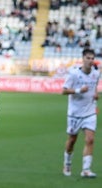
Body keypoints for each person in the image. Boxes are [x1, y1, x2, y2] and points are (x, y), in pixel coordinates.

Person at [62, 48, 100, 178]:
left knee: (90, 139)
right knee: (72, 140)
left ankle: (86, 169)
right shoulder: (73, 74)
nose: (90, 61)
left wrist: (95, 95)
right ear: (83, 59)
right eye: (88, 58)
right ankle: (67, 163)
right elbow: (64, 91)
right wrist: (79, 90)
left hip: (90, 112)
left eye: (92, 58)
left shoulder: (96, 73)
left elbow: (94, 87)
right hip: (75, 113)